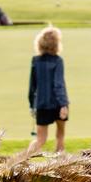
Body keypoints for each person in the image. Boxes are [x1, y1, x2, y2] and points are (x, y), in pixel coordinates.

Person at [26, 25, 70, 155]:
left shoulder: (35, 60)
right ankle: (60, 162)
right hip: (58, 104)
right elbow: (59, 84)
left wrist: (32, 105)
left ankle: (23, 160)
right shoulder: (58, 61)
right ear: (56, 44)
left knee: (40, 140)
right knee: (60, 136)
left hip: (41, 105)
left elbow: (32, 86)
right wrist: (63, 104)